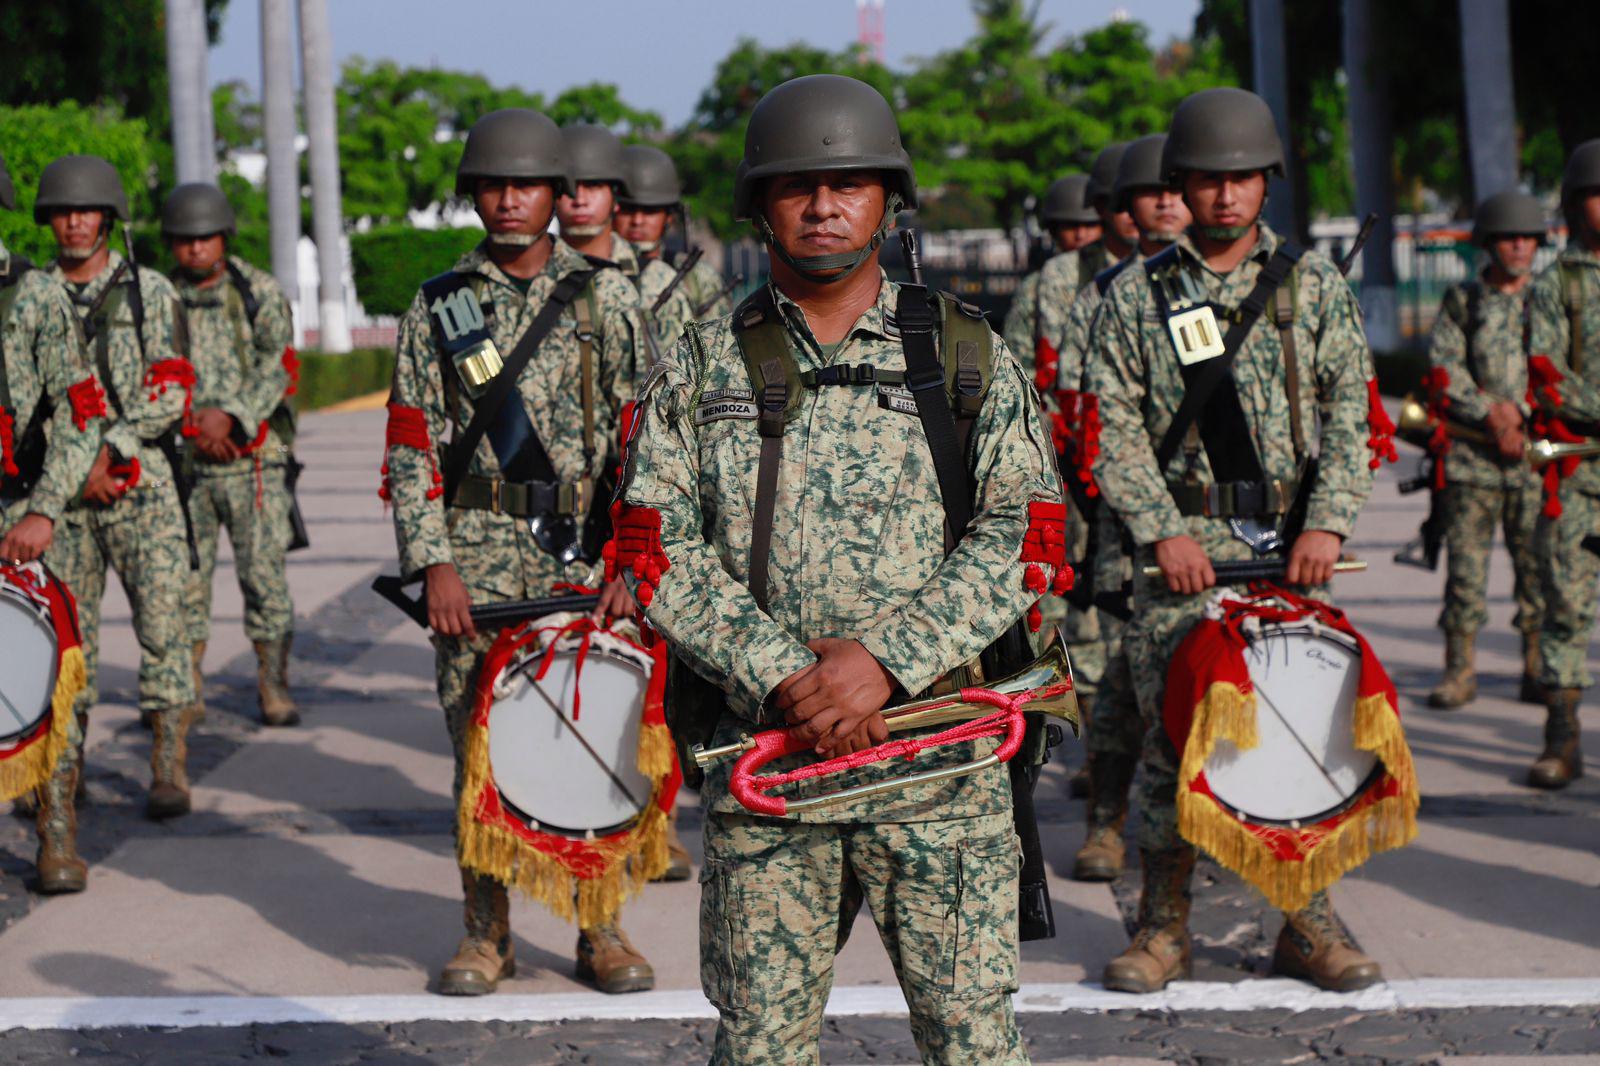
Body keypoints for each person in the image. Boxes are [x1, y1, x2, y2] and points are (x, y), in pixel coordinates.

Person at [615, 73, 1064, 1064]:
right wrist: (784, 671)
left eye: (850, 182)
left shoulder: (962, 352)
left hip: (935, 765)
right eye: (797, 185)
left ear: (887, 199)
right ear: (761, 204)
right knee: (762, 1044)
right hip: (773, 763)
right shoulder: (698, 364)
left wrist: (883, 662)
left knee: (973, 1043)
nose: (824, 205)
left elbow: (1025, 532)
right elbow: (654, 546)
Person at [1087, 88, 1384, 993]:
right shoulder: (1138, 294)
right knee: (1175, 744)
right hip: (1179, 555)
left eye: (1244, 179)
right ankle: (1163, 930)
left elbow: (1349, 412)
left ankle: (1308, 925)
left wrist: (1329, 518)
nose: (1226, 197)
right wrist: (1163, 529)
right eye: (1209, 180)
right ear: (1180, 185)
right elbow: (1114, 426)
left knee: (1300, 742)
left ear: (1268, 185)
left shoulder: (1312, 285)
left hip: (1292, 547)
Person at [382, 108, 656, 996]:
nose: (510, 199)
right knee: (480, 752)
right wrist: (435, 563)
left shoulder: (607, 296)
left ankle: (599, 927)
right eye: (494, 185)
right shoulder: (439, 305)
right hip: (475, 562)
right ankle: (484, 932)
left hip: (581, 560)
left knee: (592, 739)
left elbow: (648, 440)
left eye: (526, 184)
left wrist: (630, 560)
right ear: (474, 195)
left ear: (556, 194)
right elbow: (412, 440)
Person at [36, 155, 197, 867]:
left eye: (88, 210)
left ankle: (167, 761)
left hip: (143, 493)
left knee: (164, 632)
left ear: (109, 218)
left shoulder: (150, 294)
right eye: (64, 210)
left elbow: (171, 388)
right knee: (63, 660)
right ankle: (57, 822)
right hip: (63, 504)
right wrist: (74, 470)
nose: (75, 220)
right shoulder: (28, 299)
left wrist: (117, 450)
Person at [1056, 133, 1191, 882]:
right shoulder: (1103, 299)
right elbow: (1084, 416)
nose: (1166, 202)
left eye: (1174, 189)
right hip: (1121, 523)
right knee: (1114, 689)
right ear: (1126, 209)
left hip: (1217, 522)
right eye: (1151, 193)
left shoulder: (1219, 293)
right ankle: (1106, 823)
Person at [0, 151, 107, 889]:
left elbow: (80, 415)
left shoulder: (35, 297)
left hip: (26, 509)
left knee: (43, 672)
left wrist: (44, 509)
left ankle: (56, 835)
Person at [161, 183, 300, 727]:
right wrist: (193, 426)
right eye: (185, 240)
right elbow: (148, 368)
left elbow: (280, 364)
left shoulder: (259, 291)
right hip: (186, 462)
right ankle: (187, 685)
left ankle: (274, 684)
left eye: (206, 238)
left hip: (255, 461)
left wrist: (233, 417)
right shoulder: (158, 297)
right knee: (185, 582)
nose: (196, 249)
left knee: (264, 578)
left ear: (224, 237)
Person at [1424, 190, 1548, 710]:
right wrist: (1490, 413)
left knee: (1538, 570)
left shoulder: (1552, 301)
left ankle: (1538, 667)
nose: (1518, 247)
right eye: (1507, 237)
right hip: (1472, 461)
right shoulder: (1464, 301)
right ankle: (1460, 670)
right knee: (1465, 573)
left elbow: (1574, 368)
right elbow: (1442, 367)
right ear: (1488, 243)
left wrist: (1520, 410)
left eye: (1526, 238)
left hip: (1535, 461)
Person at [1525, 139, 1600, 790]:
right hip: (1580, 468)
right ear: (1577, 205)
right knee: (1566, 606)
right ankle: (1563, 738)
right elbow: (1547, 375)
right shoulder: (1557, 284)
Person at [556, 125, 693, 367]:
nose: (580, 200)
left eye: (594, 186)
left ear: (616, 197)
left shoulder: (658, 281)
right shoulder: (530, 275)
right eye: (569, 188)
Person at [615, 143, 733, 336]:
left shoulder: (696, 279)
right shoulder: (597, 273)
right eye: (628, 210)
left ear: (669, 216)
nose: (637, 221)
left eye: (650, 211)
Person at [1002, 172, 1098, 382]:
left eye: (1090, 225)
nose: (1081, 235)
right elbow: (1017, 360)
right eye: (1071, 226)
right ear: (1055, 230)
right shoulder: (1035, 286)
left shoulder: (1114, 280)